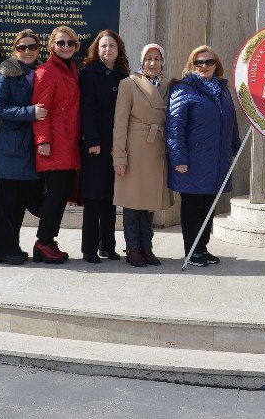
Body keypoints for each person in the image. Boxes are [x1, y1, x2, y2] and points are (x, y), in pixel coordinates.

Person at [166, 45, 242, 267]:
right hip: (193, 161)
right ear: (192, 65)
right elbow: (174, 127)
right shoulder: (183, 89)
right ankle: (192, 251)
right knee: (193, 206)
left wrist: (235, 147)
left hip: (217, 160)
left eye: (209, 62)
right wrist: (179, 158)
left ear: (216, 65)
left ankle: (202, 248)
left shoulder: (223, 90)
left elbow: (232, 122)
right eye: (199, 62)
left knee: (209, 205)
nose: (205, 66)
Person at [113, 43, 173, 267]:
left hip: (157, 148)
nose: (152, 63)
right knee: (132, 201)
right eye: (148, 58)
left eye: (157, 59)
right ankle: (133, 248)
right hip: (135, 147)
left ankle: (147, 246)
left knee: (149, 202)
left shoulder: (168, 85)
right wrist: (119, 156)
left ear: (162, 62)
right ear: (141, 61)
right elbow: (119, 123)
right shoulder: (128, 84)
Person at [0, 29, 46, 265]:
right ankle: (1, 249)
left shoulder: (41, 72)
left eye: (31, 47)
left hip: (30, 148)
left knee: (20, 204)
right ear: (15, 50)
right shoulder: (6, 73)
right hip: (11, 148)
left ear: (38, 49)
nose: (27, 51)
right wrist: (30, 112)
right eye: (22, 47)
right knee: (6, 203)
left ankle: (13, 245)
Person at [78, 30, 130, 263]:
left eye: (112, 46)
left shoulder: (122, 76)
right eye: (103, 46)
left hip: (117, 145)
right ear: (96, 50)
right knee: (93, 197)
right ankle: (89, 249)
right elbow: (86, 110)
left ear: (119, 50)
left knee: (111, 197)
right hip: (96, 145)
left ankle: (108, 245)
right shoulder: (89, 74)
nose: (108, 50)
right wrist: (92, 141)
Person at [31, 26, 81, 264]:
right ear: (52, 45)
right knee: (55, 195)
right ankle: (43, 241)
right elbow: (41, 110)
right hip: (54, 145)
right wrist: (44, 141)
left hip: (69, 144)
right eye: (61, 43)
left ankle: (48, 241)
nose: (66, 47)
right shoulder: (46, 71)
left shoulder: (72, 69)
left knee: (61, 195)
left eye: (70, 43)